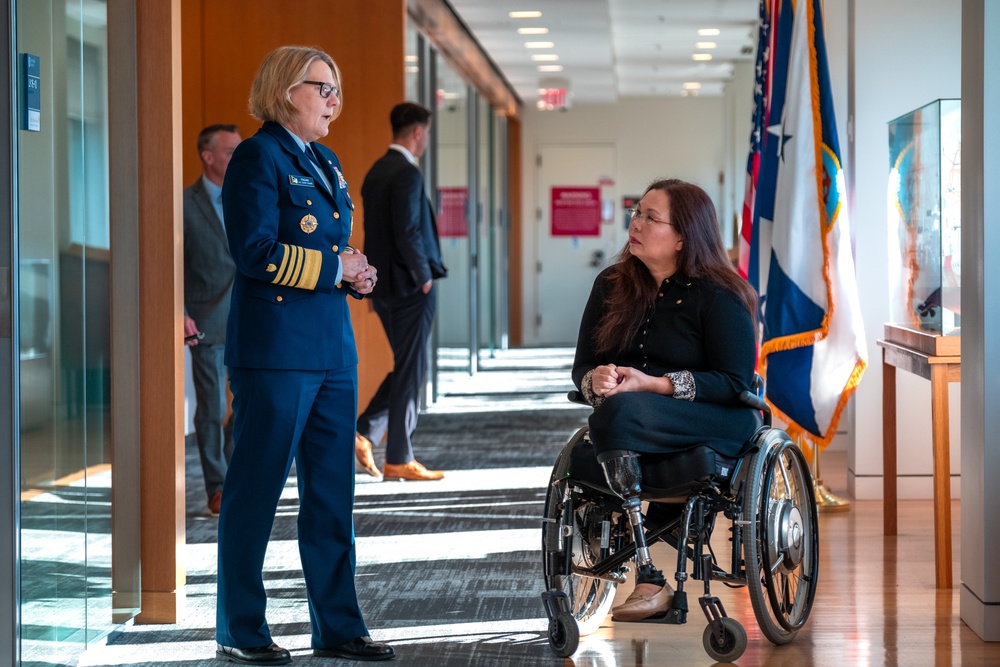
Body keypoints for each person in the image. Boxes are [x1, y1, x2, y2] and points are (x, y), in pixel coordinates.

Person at [215, 45, 393, 664]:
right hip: (275, 350)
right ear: (288, 89)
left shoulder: (324, 158)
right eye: (324, 89)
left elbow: (332, 248)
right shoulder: (257, 157)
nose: (333, 102)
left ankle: (339, 625)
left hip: (330, 349)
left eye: (337, 90)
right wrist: (331, 268)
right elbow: (257, 253)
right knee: (257, 490)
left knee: (332, 494)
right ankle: (240, 628)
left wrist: (354, 274)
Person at [572, 178, 759, 622]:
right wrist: (595, 380)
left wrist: (655, 384)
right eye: (636, 213)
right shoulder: (610, 285)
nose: (635, 223)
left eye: (649, 217)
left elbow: (734, 382)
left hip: (715, 419)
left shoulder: (720, 293)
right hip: (633, 423)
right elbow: (581, 368)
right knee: (611, 416)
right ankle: (646, 570)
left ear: (683, 237)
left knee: (619, 413)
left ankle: (652, 579)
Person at [354, 102, 447, 482]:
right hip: (410, 287)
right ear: (418, 132)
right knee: (412, 369)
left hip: (384, 289)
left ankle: (365, 434)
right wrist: (424, 275)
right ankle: (397, 456)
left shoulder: (376, 171)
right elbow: (408, 231)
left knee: (408, 367)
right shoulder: (407, 173)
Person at [183, 123, 241, 516]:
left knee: (249, 404)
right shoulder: (184, 203)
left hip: (253, 319)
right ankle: (217, 488)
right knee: (211, 407)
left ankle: (237, 478)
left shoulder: (249, 196)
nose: (238, 158)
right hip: (205, 318)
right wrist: (180, 313)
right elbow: (169, 265)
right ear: (208, 156)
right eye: (231, 151)